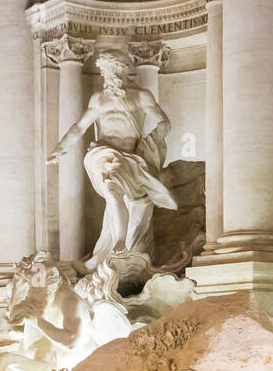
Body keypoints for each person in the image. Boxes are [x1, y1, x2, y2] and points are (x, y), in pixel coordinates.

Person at [47, 50, 176, 269]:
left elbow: (164, 123)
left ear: (125, 70)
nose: (110, 76)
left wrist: (149, 144)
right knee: (112, 188)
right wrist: (61, 148)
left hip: (131, 158)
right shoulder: (98, 99)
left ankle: (120, 243)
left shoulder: (141, 96)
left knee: (125, 195)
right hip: (104, 155)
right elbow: (80, 127)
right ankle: (119, 240)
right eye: (106, 71)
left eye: (113, 69)